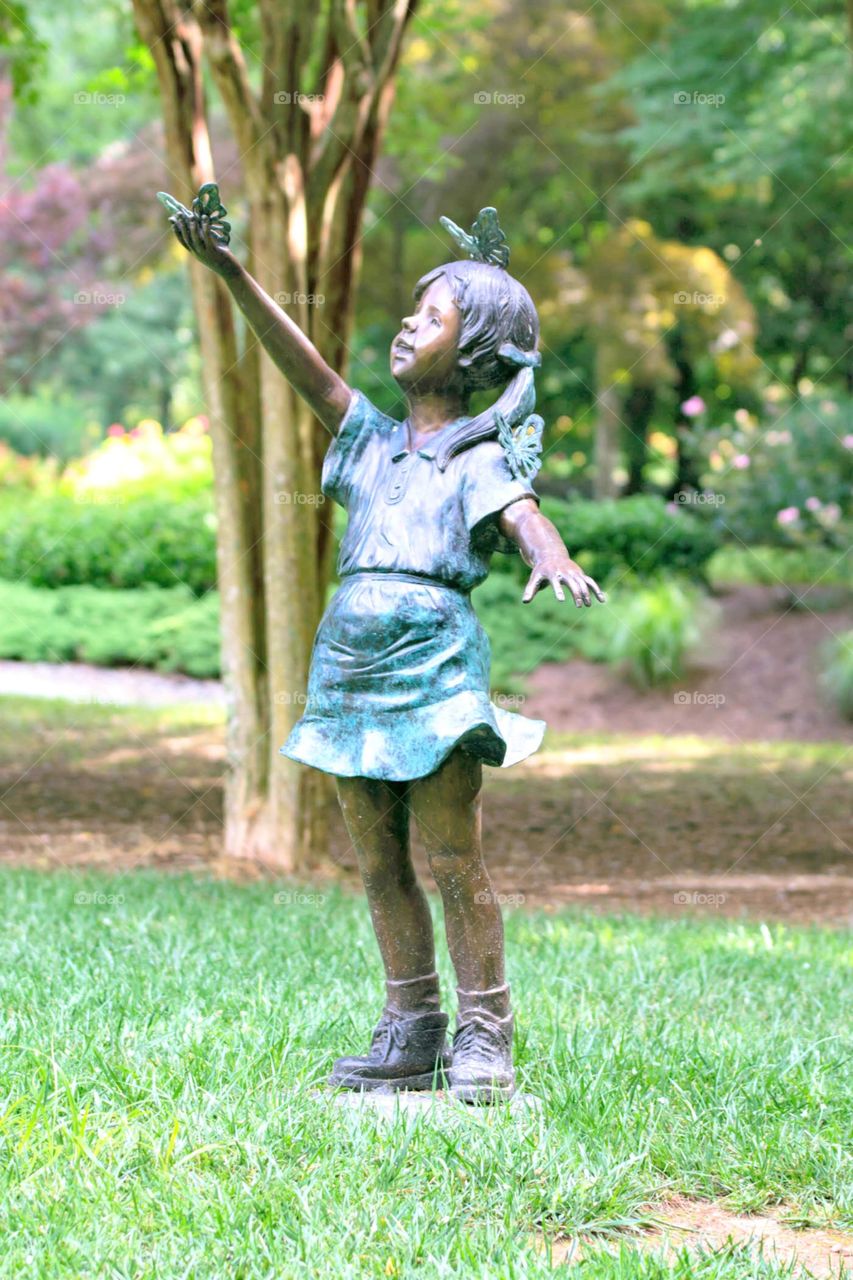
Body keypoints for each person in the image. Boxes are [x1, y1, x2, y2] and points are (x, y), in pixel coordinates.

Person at [169, 200, 605, 1102]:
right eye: (412, 310)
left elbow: (522, 512)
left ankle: (485, 1032)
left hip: (433, 663)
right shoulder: (368, 438)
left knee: (452, 857)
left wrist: (551, 556)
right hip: (348, 665)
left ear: (475, 354)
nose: (408, 325)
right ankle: (411, 1027)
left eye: (431, 316)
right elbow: (306, 368)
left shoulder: (477, 456)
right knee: (376, 861)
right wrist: (232, 273)